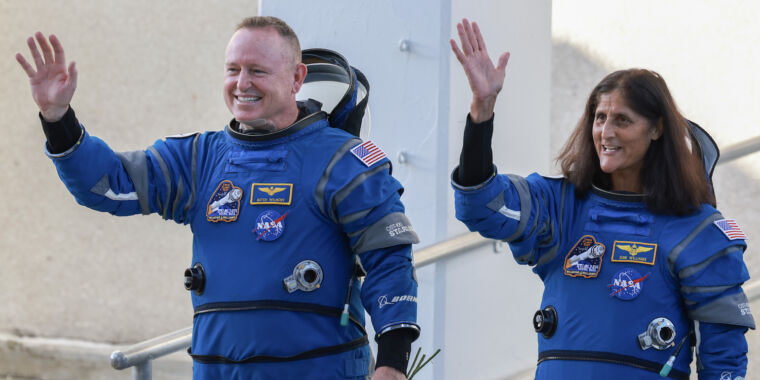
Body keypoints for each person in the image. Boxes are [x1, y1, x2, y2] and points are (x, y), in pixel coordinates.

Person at [16, 16, 420, 380]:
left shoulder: (344, 160)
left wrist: (392, 364)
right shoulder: (199, 159)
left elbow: (389, 260)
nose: (242, 84)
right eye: (233, 70)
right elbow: (109, 185)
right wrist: (58, 118)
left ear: (297, 78)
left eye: (257, 71)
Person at [449, 18, 754, 380]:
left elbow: (724, 361)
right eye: (599, 117)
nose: (606, 132)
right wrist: (482, 112)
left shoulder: (698, 229)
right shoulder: (560, 207)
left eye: (622, 120)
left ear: (657, 129)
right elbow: (481, 206)